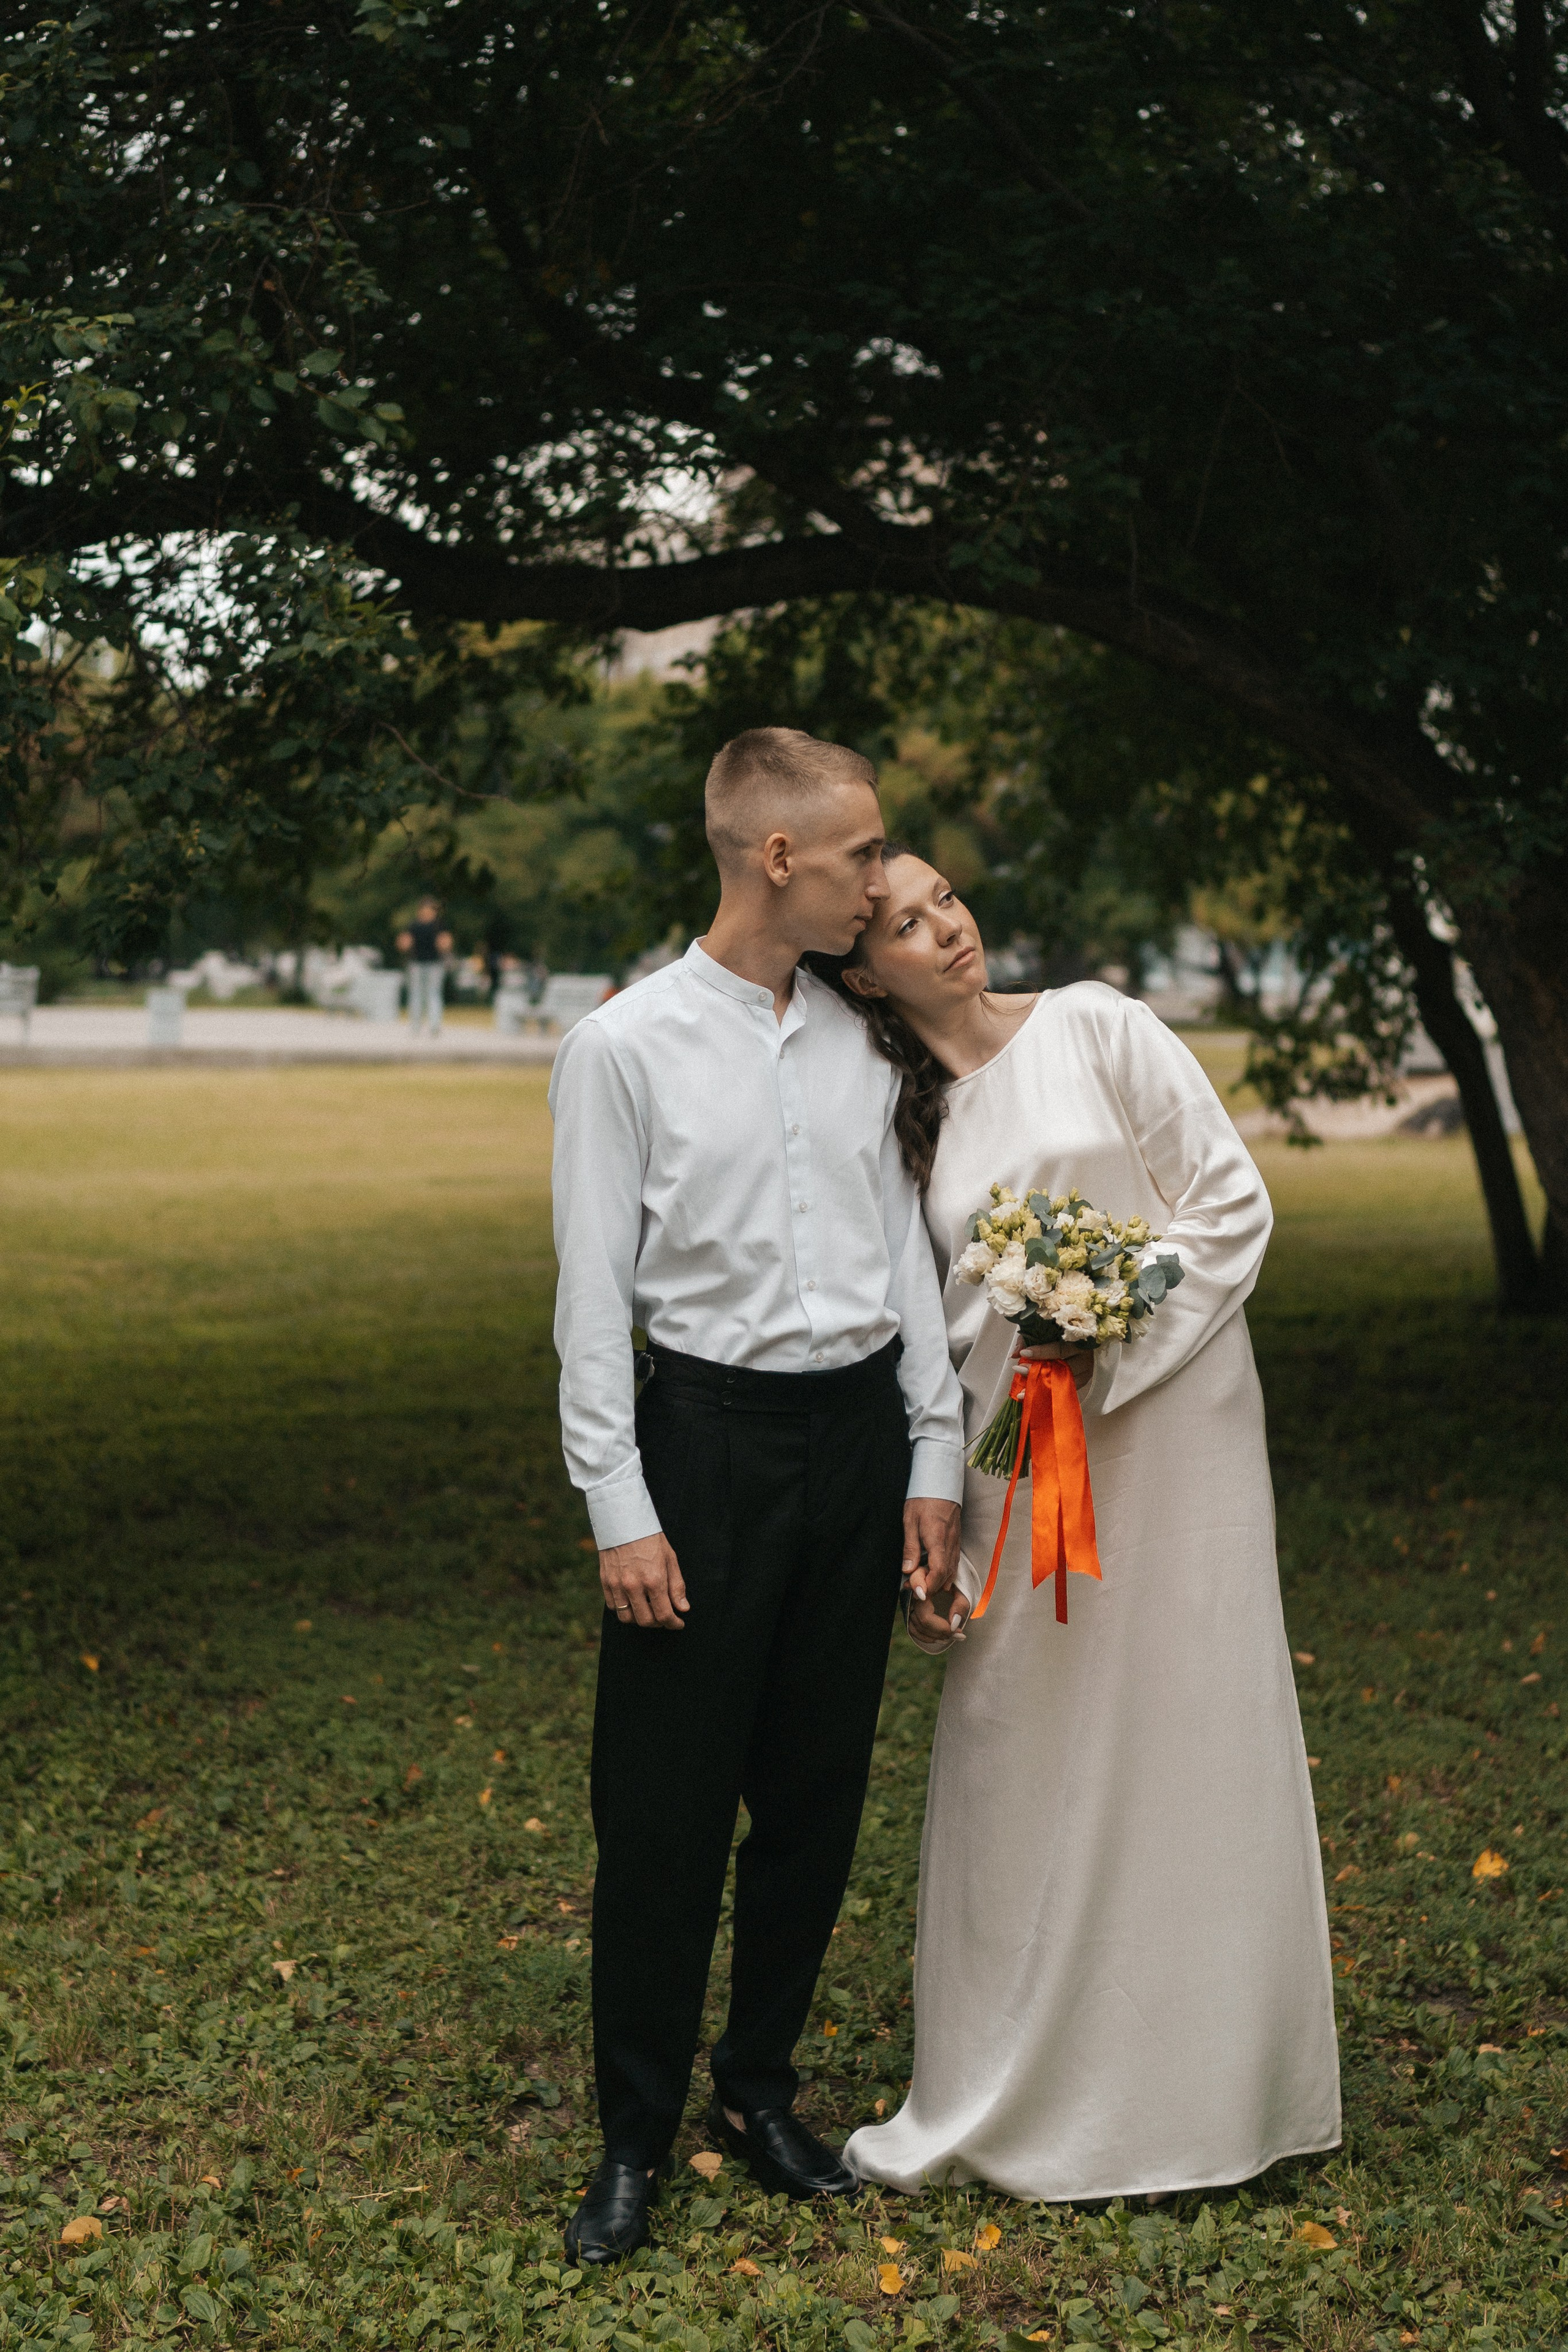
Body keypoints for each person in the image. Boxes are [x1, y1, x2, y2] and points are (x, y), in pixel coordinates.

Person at [807, 850, 1340, 2203]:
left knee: (1187, 1722)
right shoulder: (890, 1113)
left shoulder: (1099, 1023)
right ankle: (1011, 2078)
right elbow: (915, 1323)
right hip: (1013, 1458)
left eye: (946, 901)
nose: (949, 930)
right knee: (1017, 1748)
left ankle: (1203, 2096)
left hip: (1173, 1428)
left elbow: (1224, 1202)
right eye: (908, 927)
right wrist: (940, 1490)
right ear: (865, 971)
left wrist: (1105, 1314)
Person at [548, 734, 968, 2264]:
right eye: (861, 852)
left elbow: (908, 1257)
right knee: (658, 1812)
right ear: (777, 858)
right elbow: (591, 1297)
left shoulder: (865, 1039)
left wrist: (934, 1453)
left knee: (812, 1791)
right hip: (702, 1443)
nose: (881, 873)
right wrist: (620, 1503)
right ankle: (633, 2134)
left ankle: (760, 2087)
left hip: (856, 1439)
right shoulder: (624, 1048)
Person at [396, 897, 453, 1036]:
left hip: (434, 964)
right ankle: (417, 1027)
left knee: (432, 994)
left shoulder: (439, 926)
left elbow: (446, 943)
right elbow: (404, 943)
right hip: (417, 964)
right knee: (418, 995)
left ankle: (433, 1026)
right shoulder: (414, 925)